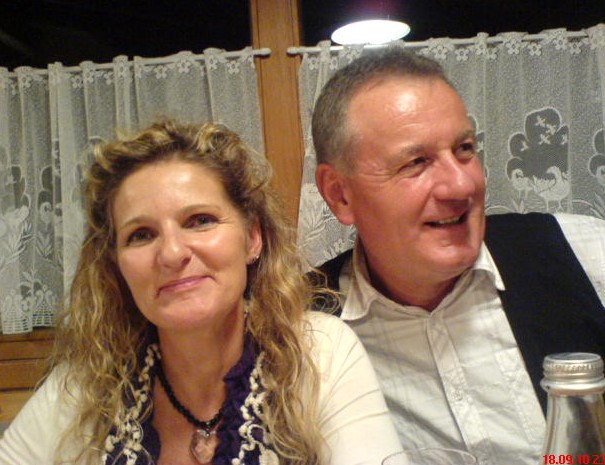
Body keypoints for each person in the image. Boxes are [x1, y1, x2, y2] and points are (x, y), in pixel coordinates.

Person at [0, 120, 401, 465]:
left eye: (200, 220)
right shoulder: (86, 386)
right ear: (117, 266)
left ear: (252, 238)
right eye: (141, 235)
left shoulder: (320, 353)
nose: (172, 254)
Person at [311, 47, 605, 465]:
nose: (461, 185)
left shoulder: (586, 253)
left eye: (464, 149)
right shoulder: (304, 334)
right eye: (416, 162)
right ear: (340, 195)